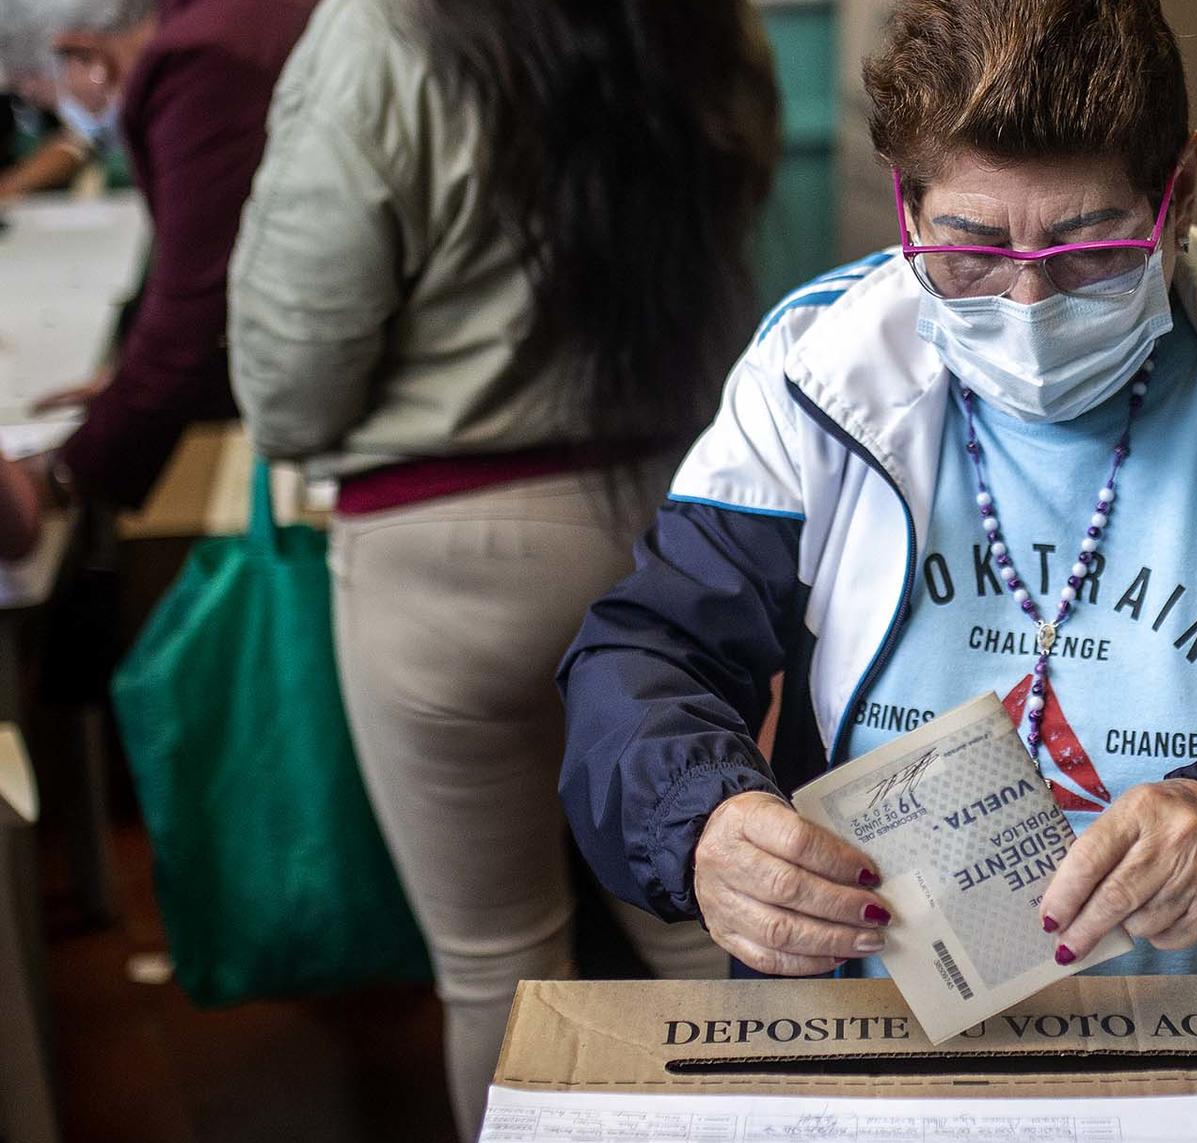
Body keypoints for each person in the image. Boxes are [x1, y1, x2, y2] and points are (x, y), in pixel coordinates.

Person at [558, 1, 1197, 1138]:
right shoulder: (820, 371)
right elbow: (646, 648)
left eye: (1087, 248)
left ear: (1176, 192)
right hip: (897, 1052)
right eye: (970, 249)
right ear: (905, 204)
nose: (1026, 307)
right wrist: (697, 816)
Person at [227, 0, 779, 1134]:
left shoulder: (379, 35)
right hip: (676, 535)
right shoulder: (709, 23)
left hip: (440, 560)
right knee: (708, 929)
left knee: (500, 970)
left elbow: (289, 386)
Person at [0, 0, 315, 505]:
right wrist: (130, 388)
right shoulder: (208, 21)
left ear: (84, 54)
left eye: (41, 90)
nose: (63, 115)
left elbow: (191, 307)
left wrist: (59, 475)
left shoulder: (197, 59)